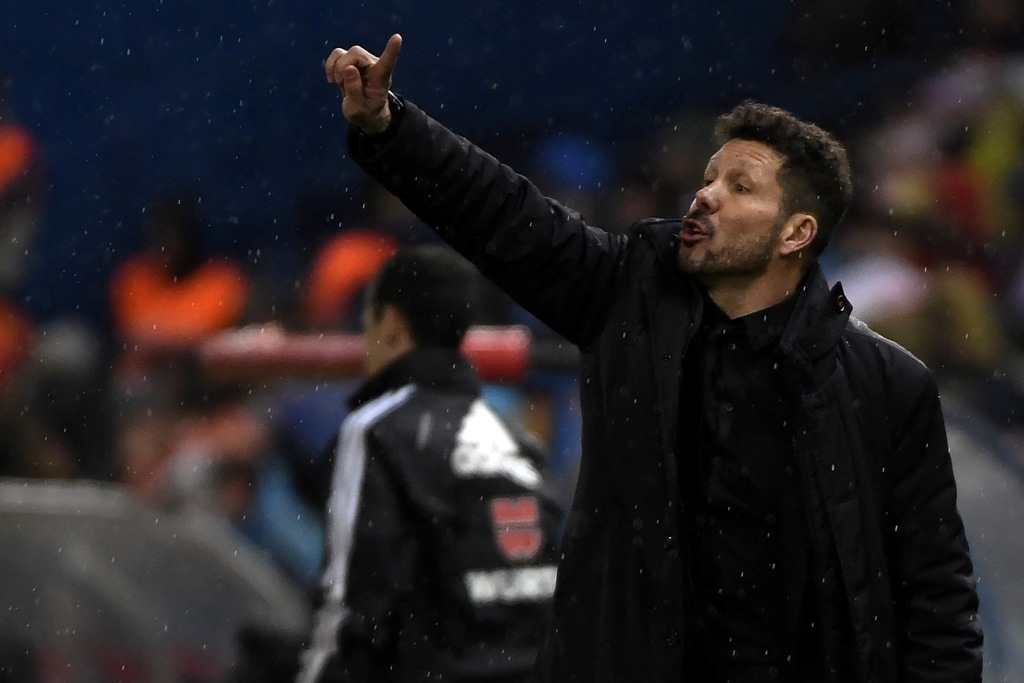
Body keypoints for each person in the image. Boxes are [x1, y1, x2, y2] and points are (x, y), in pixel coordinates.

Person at [321, 35, 984, 683]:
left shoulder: (888, 384)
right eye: (708, 177)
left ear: (797, 233)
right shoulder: (630, 292)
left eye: (740, 186)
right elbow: (501, 213)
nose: (706, 194)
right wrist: (389, 127)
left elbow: (936, 594)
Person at [295, 244, 563, 683]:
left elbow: (352, 605)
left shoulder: (377, 430)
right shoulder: (518, 439)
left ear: (391, 324)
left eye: (367, 323)